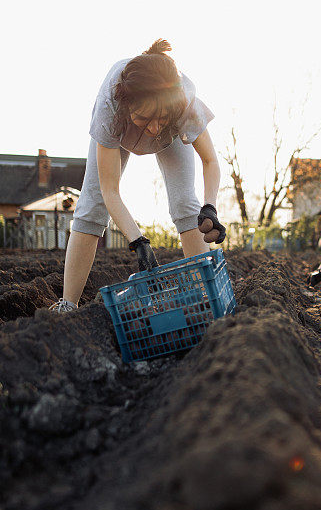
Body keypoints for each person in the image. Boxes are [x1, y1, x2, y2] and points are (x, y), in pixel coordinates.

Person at [49, 39, 225, 312]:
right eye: (146, 118)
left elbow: (211, 160)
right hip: (121, 135)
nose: (153, 128)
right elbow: (110, 191)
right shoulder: (111, 106)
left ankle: (203, 301)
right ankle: (67, 304)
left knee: (186, 205)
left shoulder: (182, 102)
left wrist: (210, 207)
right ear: (127, 103)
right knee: (91, 207)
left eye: (160, 119)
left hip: (173, 136)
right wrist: (138, 242)